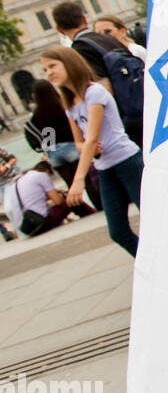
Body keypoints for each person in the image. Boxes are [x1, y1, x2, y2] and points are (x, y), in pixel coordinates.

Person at [39, 47, 143, 257]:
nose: (49, 73)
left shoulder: (94, 92)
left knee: (152, 220)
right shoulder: (70, 102)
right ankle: (150, 265)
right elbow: (79, 142)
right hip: (104, 169)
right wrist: (86, 147)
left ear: (69, 63)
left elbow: (92, 137)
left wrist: (78, 180)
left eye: (52, 66)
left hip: (127, 161)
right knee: (118, 232)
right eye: (44, 70)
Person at [51, 1, 143, 147]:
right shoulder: (106, 38)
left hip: (125, 121)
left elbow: (103, 88)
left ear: (59, 30)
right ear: (84, 19)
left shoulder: (80, 48)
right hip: (141, 103)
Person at [24, 78, 100, 209]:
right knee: (86, 180)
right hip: (72, 146)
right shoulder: (63, 107)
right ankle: (99, 205)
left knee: (69, 183)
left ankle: (80, 210)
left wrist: (47, 146)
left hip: (54, 151)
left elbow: (36, 139)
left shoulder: (36, 116)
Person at [11, 160, 91, 235]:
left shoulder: (19, 182)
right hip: (41, 223)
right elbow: (58, 201)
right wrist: (61, 195)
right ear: (48, 171)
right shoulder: (42, 175)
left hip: (27, 227)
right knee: (70, 200)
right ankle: (92, 214)